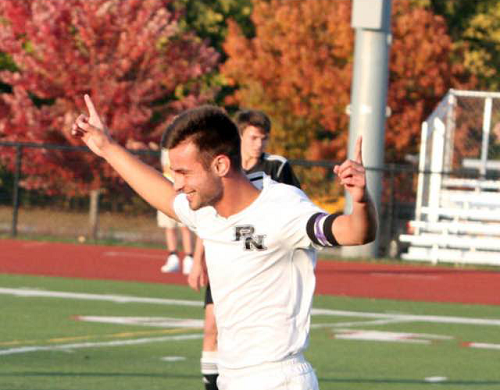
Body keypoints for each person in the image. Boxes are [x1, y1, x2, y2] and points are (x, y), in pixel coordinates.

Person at [72, 95, 378, 390]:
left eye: (183, 173)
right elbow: (163, 194)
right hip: (231, 377)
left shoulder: (282, 207)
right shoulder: (207, 209)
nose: (177, 183)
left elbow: (354, 232)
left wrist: (361, 200)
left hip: (276, 379)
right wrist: (107, 148)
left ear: (220, 166)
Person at [187, 109, 302, 390]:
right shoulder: (224, 168)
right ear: (240, 137)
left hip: (259, 261)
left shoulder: (277, 168)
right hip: (225, 257)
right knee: (211, 327)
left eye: (263, 138)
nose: (258, 144)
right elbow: (208, 216)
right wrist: (198, 260)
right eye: (253, 137)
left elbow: (297, 209)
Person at [157, 148, 194, 274]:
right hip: (167, 190)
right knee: (169, 226)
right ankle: (173, 256)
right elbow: (166, 167)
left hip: (183, 190)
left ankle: (189, 257)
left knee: (184, 226)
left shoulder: (185, 147)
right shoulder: (165, 149)